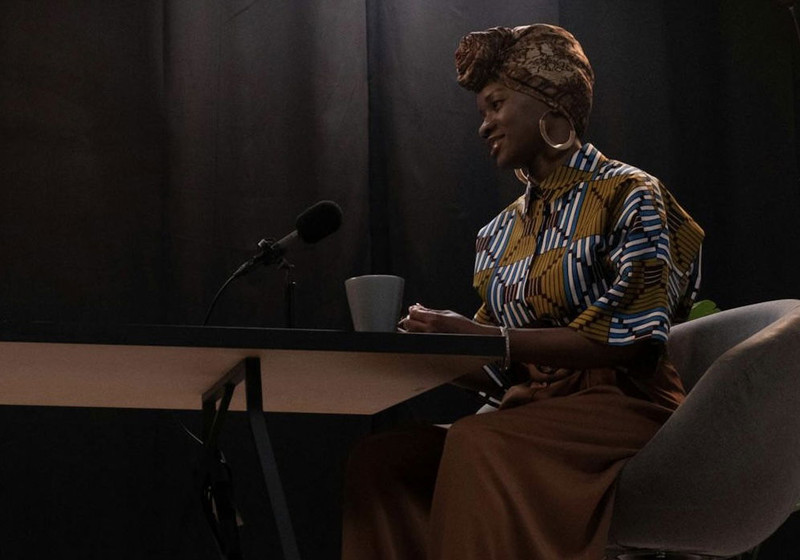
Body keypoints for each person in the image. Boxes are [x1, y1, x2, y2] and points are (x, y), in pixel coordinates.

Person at [341, 23, 704, 560]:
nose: (484, 124)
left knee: (478, 442)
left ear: (551, 106)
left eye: (496, 104)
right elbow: (500, 372)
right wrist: (431, 347)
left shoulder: (630, 194)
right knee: (383, 461)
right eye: (482, 111)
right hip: (531, 409)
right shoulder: (498, 233)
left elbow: (631, 339)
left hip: (625, 405)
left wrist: (487, 338)